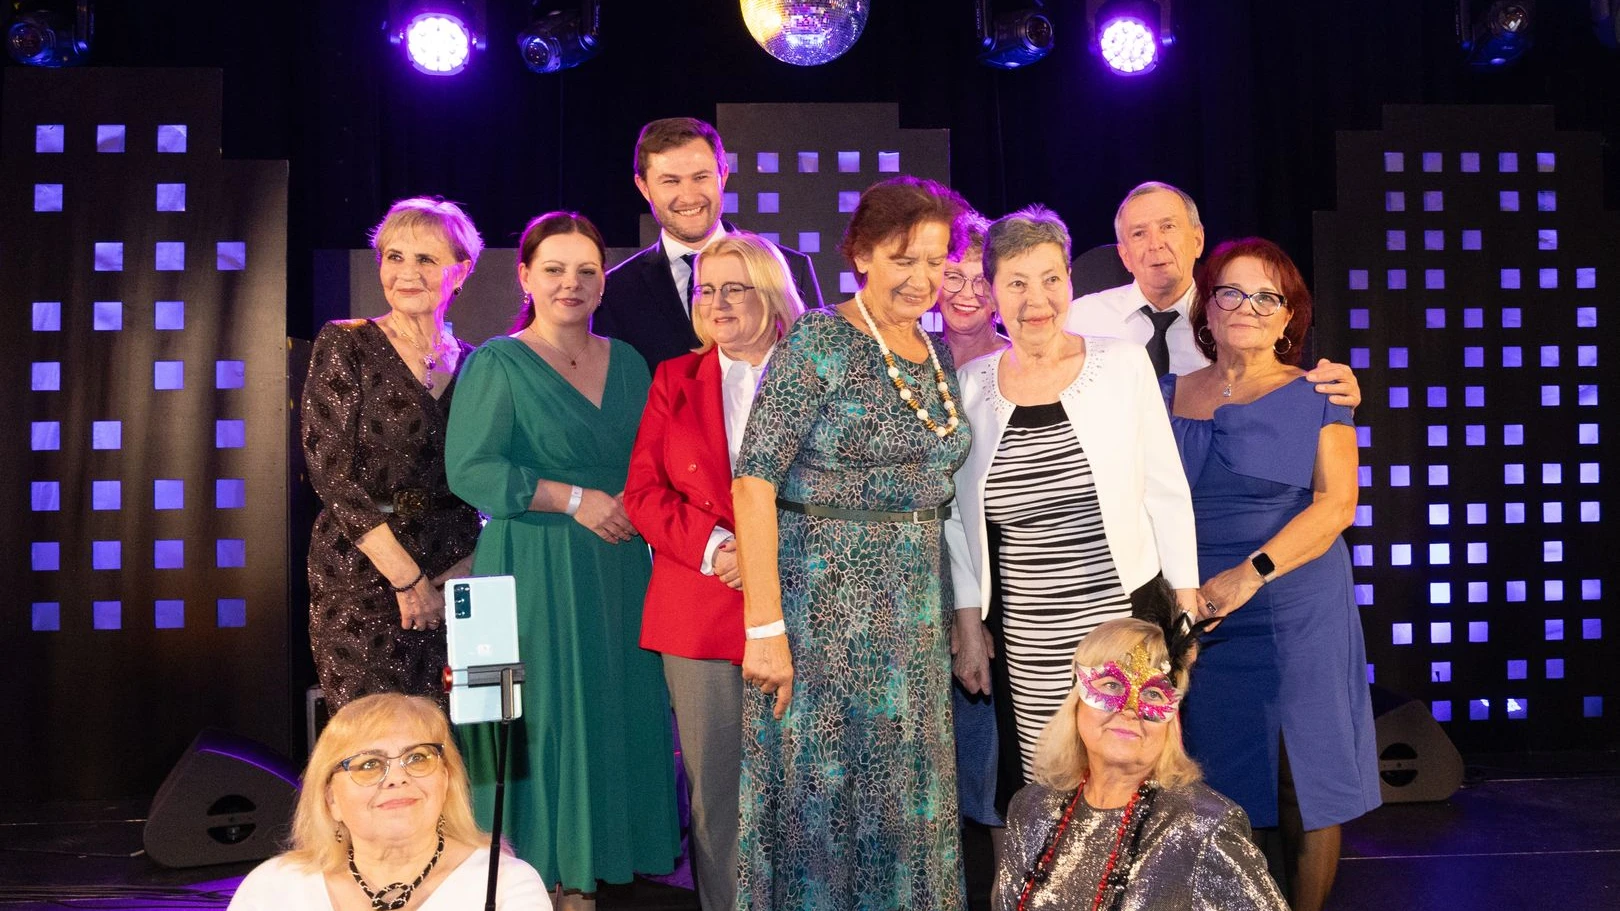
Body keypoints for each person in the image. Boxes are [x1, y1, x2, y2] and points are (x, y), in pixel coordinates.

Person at [732, 176, 970, 910]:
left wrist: (963, 617)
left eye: (936, 261)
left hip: (915, 619)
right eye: (904, 258)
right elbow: (753, 482)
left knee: (908, 800)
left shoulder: (934, 352)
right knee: (823, 798)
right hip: (823, 620)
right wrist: (765, 629)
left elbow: (944, 498)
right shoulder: (818, 340)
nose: (923, 278)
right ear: (862, 254)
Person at [445, 212, 678, 910]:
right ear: (525, 276)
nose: (569, 283)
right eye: (553, 269)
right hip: (521, 570)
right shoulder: (495, 361)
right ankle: (527, 886)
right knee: (522, 727)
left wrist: (637, 500)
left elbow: (653, 461)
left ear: (604, 283)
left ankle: (587, 881)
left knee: (610, 717)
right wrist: (575, 498)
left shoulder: (630, 362)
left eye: (586, 271)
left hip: (618, 568)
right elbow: (471, 469)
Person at [944, 205, 1199, 808]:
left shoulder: (1122, 364)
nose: (1037, 300)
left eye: (1051, 279)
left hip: (1121, 621)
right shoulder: (969, 386)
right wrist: (968, 623)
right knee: (1047, 788)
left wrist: (1185, 605)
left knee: (1131, 781)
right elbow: (955, 519)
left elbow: (1166, 488)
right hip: (1027, 634)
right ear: (992, 292)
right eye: (1017, 283)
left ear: (1070, 283)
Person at [1163, 237, 1380, 911]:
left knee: (1303, 783)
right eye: (1231, 291)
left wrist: (1248, 574)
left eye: (1267, 297)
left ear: (1289, 316)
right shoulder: (1164, 393)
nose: (1247, 307)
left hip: (1294, 605)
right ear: (1207, 306)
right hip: (1199, 614)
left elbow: (1337, 505)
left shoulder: (1319, 393)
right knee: (1215, 780)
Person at [622, 232, 806, 911]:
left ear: (772, 293)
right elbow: (643, 493)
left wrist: (765, 555)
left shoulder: (815, 374)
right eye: (706, 289)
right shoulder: (675, 378)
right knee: (719, 796)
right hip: (699, 612)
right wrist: (722, 549)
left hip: (804, 604)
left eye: (735, 288)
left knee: (809, 785)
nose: (717, 302)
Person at [301, 197, 484, 712]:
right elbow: (331, 475)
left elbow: (495, 472)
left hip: (458, 574)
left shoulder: (479, 364)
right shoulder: (346, 343)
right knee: (374, 731)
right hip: (363, 574)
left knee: (460, 730)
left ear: (460, 271)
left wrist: (471, 563)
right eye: (394, 257)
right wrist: (408, 581)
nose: (407, 272)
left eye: (426, 259)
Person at [994, 612, 1287, 911]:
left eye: (1152, 693)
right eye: (1111, 685)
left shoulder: (1203, 827)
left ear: (1172, 718)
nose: (1130, 710)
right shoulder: (1032, 808)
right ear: (1076, 699)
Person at [227, 693, 550, 910]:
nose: (397, 777)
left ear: (446, 781)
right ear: (331, 800)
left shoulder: (506, 883)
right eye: (369, 764)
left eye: (418, 758)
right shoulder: (273, 889)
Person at [1065, 181, 1360, 408]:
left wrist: (1331, 394)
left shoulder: (1231, 317)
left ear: (1197, 240)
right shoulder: (1081, 319)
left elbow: (1276, 390)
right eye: (1139, 233)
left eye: (1168, 227)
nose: (1155, 244)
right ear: (1125, 256)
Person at [593, 117, 823, 369]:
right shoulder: (615, 291)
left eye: (700, 177)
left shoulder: (791, 267)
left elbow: (819, 371)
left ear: (723, 175)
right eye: (671, 181)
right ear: (643, 187)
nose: (689, 196)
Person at [935, 210, 1004, 366]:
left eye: (981, 281)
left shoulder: (1020, 363)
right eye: (954, 277)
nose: (967, 294)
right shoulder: (916, 360)